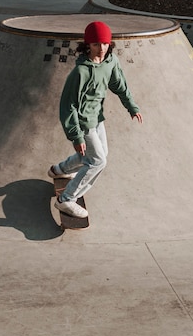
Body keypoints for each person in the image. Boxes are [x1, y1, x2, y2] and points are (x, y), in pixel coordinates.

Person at [48, 20, 143, 218]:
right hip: (83, 123)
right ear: (88, 45)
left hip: (97, 119)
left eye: (105, 44)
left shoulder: (111, 62)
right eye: (96, 45)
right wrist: (77, 137)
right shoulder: (80, 72)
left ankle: (59, 170)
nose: (101, 49)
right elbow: (68, 106)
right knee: (98, 162)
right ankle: (66, 200)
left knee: (98, 155)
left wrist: (131, 107)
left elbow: (120, 85)